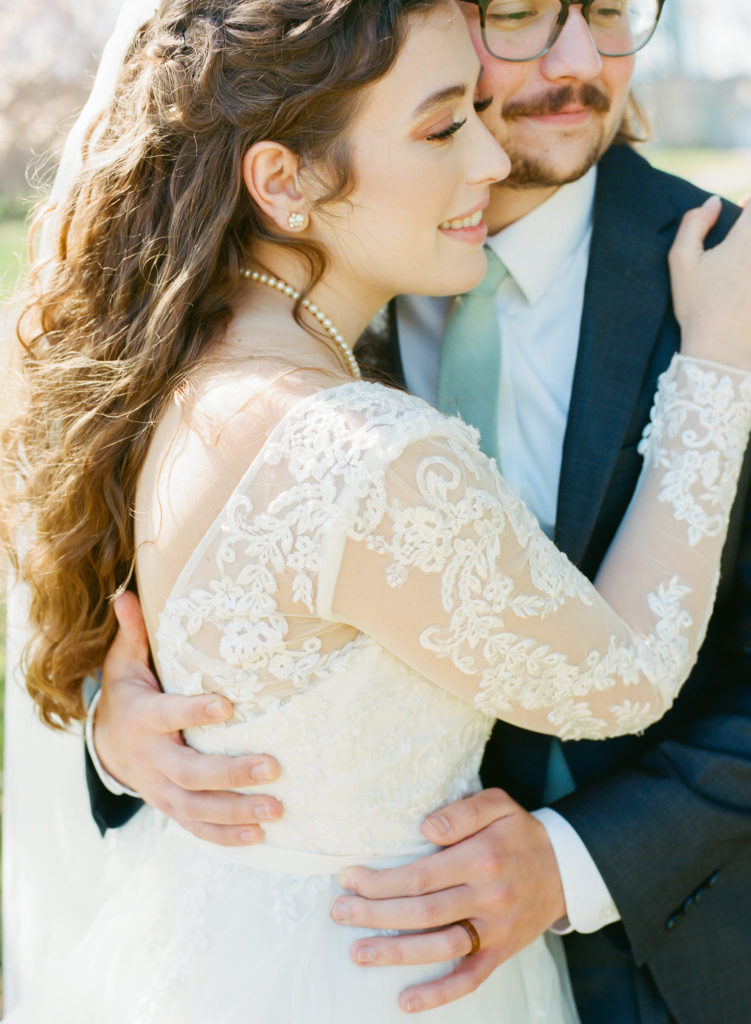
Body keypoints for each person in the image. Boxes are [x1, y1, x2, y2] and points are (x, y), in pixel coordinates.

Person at [4, 1, 751, 1022]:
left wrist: (577, 861)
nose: (580, 58)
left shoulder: (729, 279)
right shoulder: (306, 332)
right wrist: (122, 726)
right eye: (522, 12)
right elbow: (133, 605)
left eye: (615, 9)